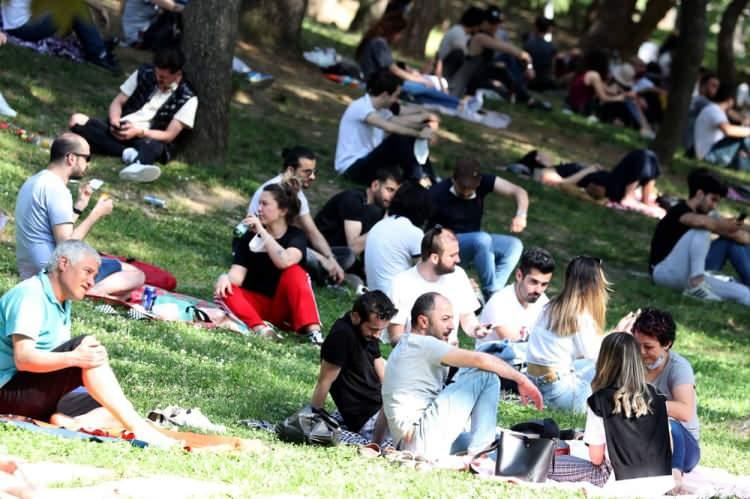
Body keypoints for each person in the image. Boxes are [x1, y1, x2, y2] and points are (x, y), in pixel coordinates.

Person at [0, 240, 175, 447]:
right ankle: (141, 430)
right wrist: (75, 357)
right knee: (84, 347)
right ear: (63, 263)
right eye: (87, 272)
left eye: (94, 275)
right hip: (6, 394)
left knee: (115, 405)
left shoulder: (61, 300)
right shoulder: (30, 295)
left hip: (31, 391)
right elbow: (24, 359)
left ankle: (69, 422)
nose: (92, 281)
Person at [381, 292, 543, 459]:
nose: (452, 326)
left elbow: (385, 404)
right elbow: (481, 360)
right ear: (423, 321)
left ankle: (486, 449)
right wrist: (522, 380)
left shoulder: (404, 345)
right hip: (421, 440)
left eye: (452, 319)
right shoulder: (424, 344)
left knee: (501, 442)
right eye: (445, 319)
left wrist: (376, 442)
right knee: (486, 376)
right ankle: (480, 454)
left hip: (412, 443)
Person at [14, 133, 145, 298]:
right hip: (52, 271)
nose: (88, 164)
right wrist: (95, 214)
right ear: (71, 158)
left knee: (120, 279)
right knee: (136, 274)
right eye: (87, 158)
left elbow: (55, 230)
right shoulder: (58, 190)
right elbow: (67, 247)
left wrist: (79, 206)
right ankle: (92, 292)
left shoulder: (35, 180)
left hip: (29, 268)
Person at [550, 332, 671, 486]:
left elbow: (596, 458)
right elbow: (669, 446)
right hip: (662, 481)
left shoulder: (600, 400)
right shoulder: (658, 396)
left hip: (615, 480)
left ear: (604, 362)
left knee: (546, 464)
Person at [215, 182, 324, 345]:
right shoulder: (248, 237)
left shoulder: (296, 236)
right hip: (256, 305)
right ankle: (261, 329)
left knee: (294, 271)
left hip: (284, 308)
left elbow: (284, 261)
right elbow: (237, 277)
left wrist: (262, 232)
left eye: (265, 204)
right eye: (259, 203)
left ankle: (314, 333)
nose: (259, 209)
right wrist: (225, 277)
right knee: (224, 290)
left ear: (283, 210)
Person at [68, 46, 197, 183]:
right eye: (157, 74)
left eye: (163, 77)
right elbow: (118, 102)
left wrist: (139, 132)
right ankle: (131, 156)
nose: (158, 79)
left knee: (153, 147)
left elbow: (169, 135)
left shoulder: (187, 97)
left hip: (146, 137)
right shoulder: (144, 73)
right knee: (77, 120)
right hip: (123, 126)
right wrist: (114, 121)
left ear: (177, 74)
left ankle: (115, 150)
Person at [649, 168, 750, 305]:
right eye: (713, 200)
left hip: (689, 273)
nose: (714, 206)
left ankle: (699, 283)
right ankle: (697, 284)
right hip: (665, 272)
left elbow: (738, 234)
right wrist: (724, 225)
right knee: (702, 229)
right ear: (700, 194)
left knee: (744, 293)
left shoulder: (707, 215)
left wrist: (732, 227)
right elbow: (700, 222)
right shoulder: (679, 211)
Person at [247, 146, 346, 286]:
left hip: (286, 243)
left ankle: (331, 269)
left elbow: (312, 231)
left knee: (345, 254)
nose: (312, 177)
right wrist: (321, 258)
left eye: (314, 172)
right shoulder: (275, 191)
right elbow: (265, 233)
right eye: (307, 172)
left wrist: (331, 258)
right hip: (263, 244)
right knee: (312, 258)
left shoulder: (296, 192)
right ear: (291, 170)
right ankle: (328, 276)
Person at [430, 158, 527, 299]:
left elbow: (518, 191)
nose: (465, 193)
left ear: (479, 182)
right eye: (462, 189)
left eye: (470, 190)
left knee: (514, 245)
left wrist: (521, 215)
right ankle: (491, 291)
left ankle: (494, 291)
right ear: (453, 180)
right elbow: (428, 234)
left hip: (477, 242)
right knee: (482, 239)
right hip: (450, 247)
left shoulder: (484, 182)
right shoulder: (437, 193)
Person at [526, 256, 609, 413]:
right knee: (611, 364)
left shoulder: (549, 307)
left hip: (533, 385)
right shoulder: (580, 315)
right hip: (559, 393)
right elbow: (594, 354)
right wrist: (618, 335)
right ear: (593, 285)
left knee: (585, 366)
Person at [311, 291, 397, 442]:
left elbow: (379, 365)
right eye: (373, 329)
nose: (377, 335)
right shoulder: (341, 336)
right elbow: (324, 381)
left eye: (381, 330)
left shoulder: (368, 332)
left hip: (383, 406)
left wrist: (393, 397)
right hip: (368, 417)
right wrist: (313, 420)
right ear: (356, 317)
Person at [334, 69, 439, 186]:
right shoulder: (361, 107)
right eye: (396, 96)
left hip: (367, 162)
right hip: (352, 169)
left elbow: (402, 123)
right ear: (385, 95)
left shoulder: (381, 110)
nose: (396, 100)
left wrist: (425, 127)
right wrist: (419, 134)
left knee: (409, 138)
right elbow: (389, 127)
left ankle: (428, 177)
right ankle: (417, 180)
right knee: (399, 138)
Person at [387, 226, 487, 346]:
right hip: (416, 355)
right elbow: (396, 337)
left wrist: (476, 329)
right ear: (434, 258)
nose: (458, 260)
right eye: (452, 255)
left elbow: (467, 317)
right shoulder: (401, 283)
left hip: (451, 354)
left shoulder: (458, 275)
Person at [632, 308, 701, 476]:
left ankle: (675, 474)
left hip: (682, 446)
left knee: (666, 422)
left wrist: (644, 403)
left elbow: (685, 412)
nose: (641, 352)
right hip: (644, 440)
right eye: (637, 345)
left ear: (667, 344)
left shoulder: (679, 368)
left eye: (648, 347)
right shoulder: (631, 362)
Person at [526, 148, 664, 215]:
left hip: (605, 179)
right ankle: (628, 198)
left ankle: (645, 200)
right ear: (537, 160)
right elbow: (563, 184)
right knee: (642, 156)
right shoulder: (544, 172)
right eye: (542, 154)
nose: (547, 155)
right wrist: (588, 170)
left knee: (651, 158)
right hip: (601, 183)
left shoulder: (556, 168)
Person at [1, 0, 119, 72]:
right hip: (23, 27)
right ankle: (99, 54)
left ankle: (97, 46)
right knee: (73, 8)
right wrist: (99, 8)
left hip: (18, 22)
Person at [314, 168, 401, 263]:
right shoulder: (353, 199)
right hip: (320, 251)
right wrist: (382, 225)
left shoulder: (380, 209)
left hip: (339, 255)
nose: (393, 196)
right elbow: (352, 249)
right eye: (389, 190)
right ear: (375, 185)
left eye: (396, 193)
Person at [567, 49, 654, 138]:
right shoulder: (594, 75)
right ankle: (645, 127)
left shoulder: (588, 73)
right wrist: (620, 97)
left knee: (629, 99)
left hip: (576, 105)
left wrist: (622, 93)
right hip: (581, 108)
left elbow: (606, 89)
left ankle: (645, 127)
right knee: (628, 100)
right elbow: (604, 98)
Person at [364, 181, 432, 295]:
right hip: (395, 299)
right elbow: (427, 274)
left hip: (373, 297)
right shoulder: (413, 232)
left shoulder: (379, 225)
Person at [478, 247, 554, 345]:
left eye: (544, 284)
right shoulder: (500, 303)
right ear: (519, 275)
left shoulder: (542, 300)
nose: (538, 290)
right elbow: (514, 346)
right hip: (496, 354)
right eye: (534, 282)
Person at [694, 82, 750, 170]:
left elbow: (736, 116)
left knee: (742, 156)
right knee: (743, 137)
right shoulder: (714, 111)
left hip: (711, 153)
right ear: (730, 100)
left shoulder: (715, 109)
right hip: (709, 155)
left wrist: (745, 122)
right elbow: (729, 131)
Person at [434, 6, 485, 83]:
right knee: (460, 54)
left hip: (447, 67)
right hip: (443, 69)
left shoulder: (465, 34)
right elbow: (465, 55)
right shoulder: (458, 32)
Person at [682, 72, 720, 155]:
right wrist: (729, 103)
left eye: (717, 87)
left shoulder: (698, 101)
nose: (715, 89)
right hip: (692, 147)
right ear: (703, 86)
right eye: (713, 85)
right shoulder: (700, 101)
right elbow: (719, 109)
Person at [523, 15, 557, 92]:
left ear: (535, 27)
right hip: (544, 83)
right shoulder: (552, 47)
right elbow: (552, 69)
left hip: (529, 82)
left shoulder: (528, 44)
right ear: (548, 29)